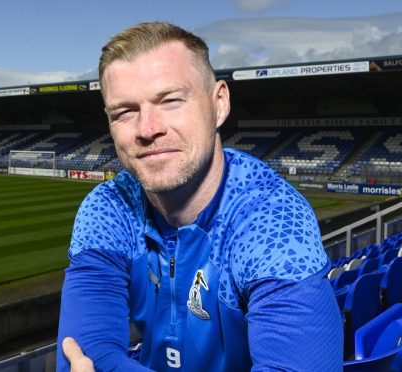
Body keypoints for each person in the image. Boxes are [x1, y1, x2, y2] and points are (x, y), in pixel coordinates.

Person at [57, 22, 343, 371]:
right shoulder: (108, 208)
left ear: (219, 104)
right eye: (125, 112)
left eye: (171, 101)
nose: (147, 129)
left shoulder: (272, 219)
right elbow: (85, 356)